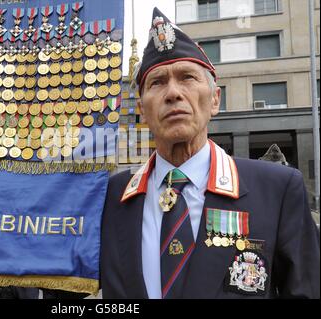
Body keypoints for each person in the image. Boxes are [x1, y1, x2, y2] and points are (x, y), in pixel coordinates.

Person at [100, 8, 320, 299]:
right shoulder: (112, 196)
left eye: (187, 77)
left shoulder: (277, 190)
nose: (173, 93)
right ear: (141, 108)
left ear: (215, 100)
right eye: (157, 82)